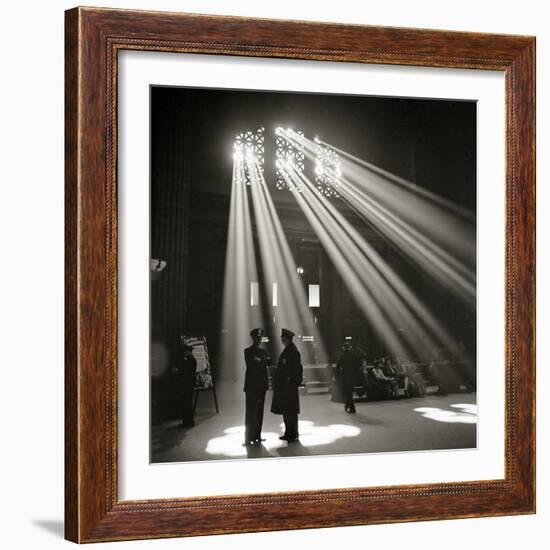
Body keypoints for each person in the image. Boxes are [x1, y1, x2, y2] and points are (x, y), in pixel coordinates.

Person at [271, 328, 303, 442]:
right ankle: (288, 432)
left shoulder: (292, 351)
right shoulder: (289, 350)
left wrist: (293, 382)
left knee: (291, 411)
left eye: (283, 338)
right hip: (285, 385)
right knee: (287, 410)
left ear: (287, 338)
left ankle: (293, 434)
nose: (282, 340)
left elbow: (297, 369)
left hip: (289, 386)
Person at [243, 328, 270, 446]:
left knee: (259, 412)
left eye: (259, 338)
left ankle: (257, 436)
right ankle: (248, 438)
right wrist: (262, 361)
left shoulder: (263, 352)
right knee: (250, 412)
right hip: (251, 386)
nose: (258, 339)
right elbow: (253, 364)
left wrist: (260, 361)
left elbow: (267, 363)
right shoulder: (247, 351)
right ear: (253, 338)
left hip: (261, 386)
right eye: (256, 337)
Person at [172, 342, 197, 427]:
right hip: (189, 384)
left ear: (188, 351)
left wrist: (178, 371)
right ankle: (187, 421)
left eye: (185, 351)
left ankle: (188, 422)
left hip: (187, 385)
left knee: (187, 404)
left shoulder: (190, 360)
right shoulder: (190, 359)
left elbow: (187, 372)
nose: (184, 353)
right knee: (187, 404)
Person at [336, 341, 361, 413]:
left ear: (344, 348)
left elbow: (338, 367)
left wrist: (338, 376)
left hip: (345, 376)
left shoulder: (342, 356)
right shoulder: (353, 356)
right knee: (350, 392)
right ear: (350, 348)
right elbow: (358, 365)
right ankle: (349, 406)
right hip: (352, 376)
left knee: (348, 392)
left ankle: (350, 407)